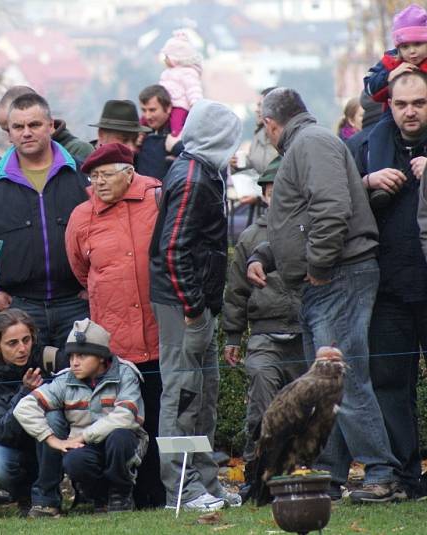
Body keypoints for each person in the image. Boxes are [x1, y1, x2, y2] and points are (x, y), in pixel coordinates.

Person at [248, 87, 404, 503]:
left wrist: (317, 266)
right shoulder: (309, 143)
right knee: (325, 390)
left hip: (337, 275)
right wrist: (269, 254)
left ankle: (381, 475)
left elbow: (331, 209)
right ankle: (329, 476)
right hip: (332, 275)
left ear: (270, 123)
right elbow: (298, 217)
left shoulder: (310, 144)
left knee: (342, 382)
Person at [149, 100, 243, 512]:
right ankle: (182, 489)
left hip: (196, 303)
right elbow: (172, 249)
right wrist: (192, 307)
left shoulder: (202, 170)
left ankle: (206, 483)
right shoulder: (193, 177)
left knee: (203, 395)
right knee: (183, 396)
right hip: (184, 306)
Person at [65, 143, 163, 508]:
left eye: (106, 175)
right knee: (117, 425)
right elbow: (79, 268)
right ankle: (114, 493)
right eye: (93, 176)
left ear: (128, 172)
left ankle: (157, 493)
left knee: (156, 417)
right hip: (114, 345)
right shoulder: (82, 216)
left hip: (157, 334)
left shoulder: (155, 199)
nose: (98, 183)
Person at [0, 92, 90, 349]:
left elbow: (108, 240)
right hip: (17, 310)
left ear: (51, 126)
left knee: (81, 387)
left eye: (34, 125)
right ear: (9, 133)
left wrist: (95, 289)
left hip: (78, 306)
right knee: (25, 388)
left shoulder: (83, 178)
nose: (26, 132)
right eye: (18, 127)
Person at [358, 70, 427, 498]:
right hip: (388, 289)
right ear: (390, 106)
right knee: (390, 385)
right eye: (401, 104)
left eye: (418, 103)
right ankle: (407, 477)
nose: (409, 112)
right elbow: (337, 194)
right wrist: (367, 182)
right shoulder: (367, 146)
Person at [221, 157, 306, 497]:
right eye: (271, 191)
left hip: (306, 334)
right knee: (262, 404)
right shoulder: (250, 237)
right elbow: (237, 291)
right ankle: (256, 476)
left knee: (308, 411)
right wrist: (231, 335)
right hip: (264, 336)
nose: (277, 197)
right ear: (265, 195)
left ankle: (310, 475)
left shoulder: (311, 230)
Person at [14, 319, 148, 513]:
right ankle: (100, 497)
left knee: (120, 438)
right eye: (71, 356)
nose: (74, 362)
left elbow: (126, 416)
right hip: (85, 445)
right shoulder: (65, 379)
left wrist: (84, 436)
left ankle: (122, 493)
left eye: (82, 356)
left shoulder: (125, 374)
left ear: (101, 357)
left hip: (121, 442)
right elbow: (24, 407)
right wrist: (51, 440)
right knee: (73, 460)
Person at [0, 309, 68, 517]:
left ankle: (47, 500)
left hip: (56, 446)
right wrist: (25, 394)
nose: (22, 349)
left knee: (52, 417)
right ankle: (26, 496)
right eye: (12, 343)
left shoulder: (49, 359)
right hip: (14, 447)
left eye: (26, 340)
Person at [363, 4, 427, 209]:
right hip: (391, 115)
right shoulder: (390, 62)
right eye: (406, 46)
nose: (412, 51)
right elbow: (370, 87)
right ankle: (381, 180)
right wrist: (389, 76)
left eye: (418, 44)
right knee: (379, 132)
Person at [0, 85, 93, 160]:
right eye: (16, 128)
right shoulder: (12, 160)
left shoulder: (78, 152)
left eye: (33, 125)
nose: (10, 139)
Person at [158, 30, 203, 137]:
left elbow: (193, 89)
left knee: (176, 123)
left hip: (180, 105)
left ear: (176, 58)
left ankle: (176, 138)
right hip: (165, 104)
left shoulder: (188, 72)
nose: (165, 60)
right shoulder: (166, 73)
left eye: (167, 57)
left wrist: (195, 104)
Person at [134, 84, 183, 180]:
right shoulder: (140, 136)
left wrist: (177, 147)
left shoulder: (182, 133)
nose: (147, 116)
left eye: (152, 110)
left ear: (168, 108)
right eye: (144, 110)